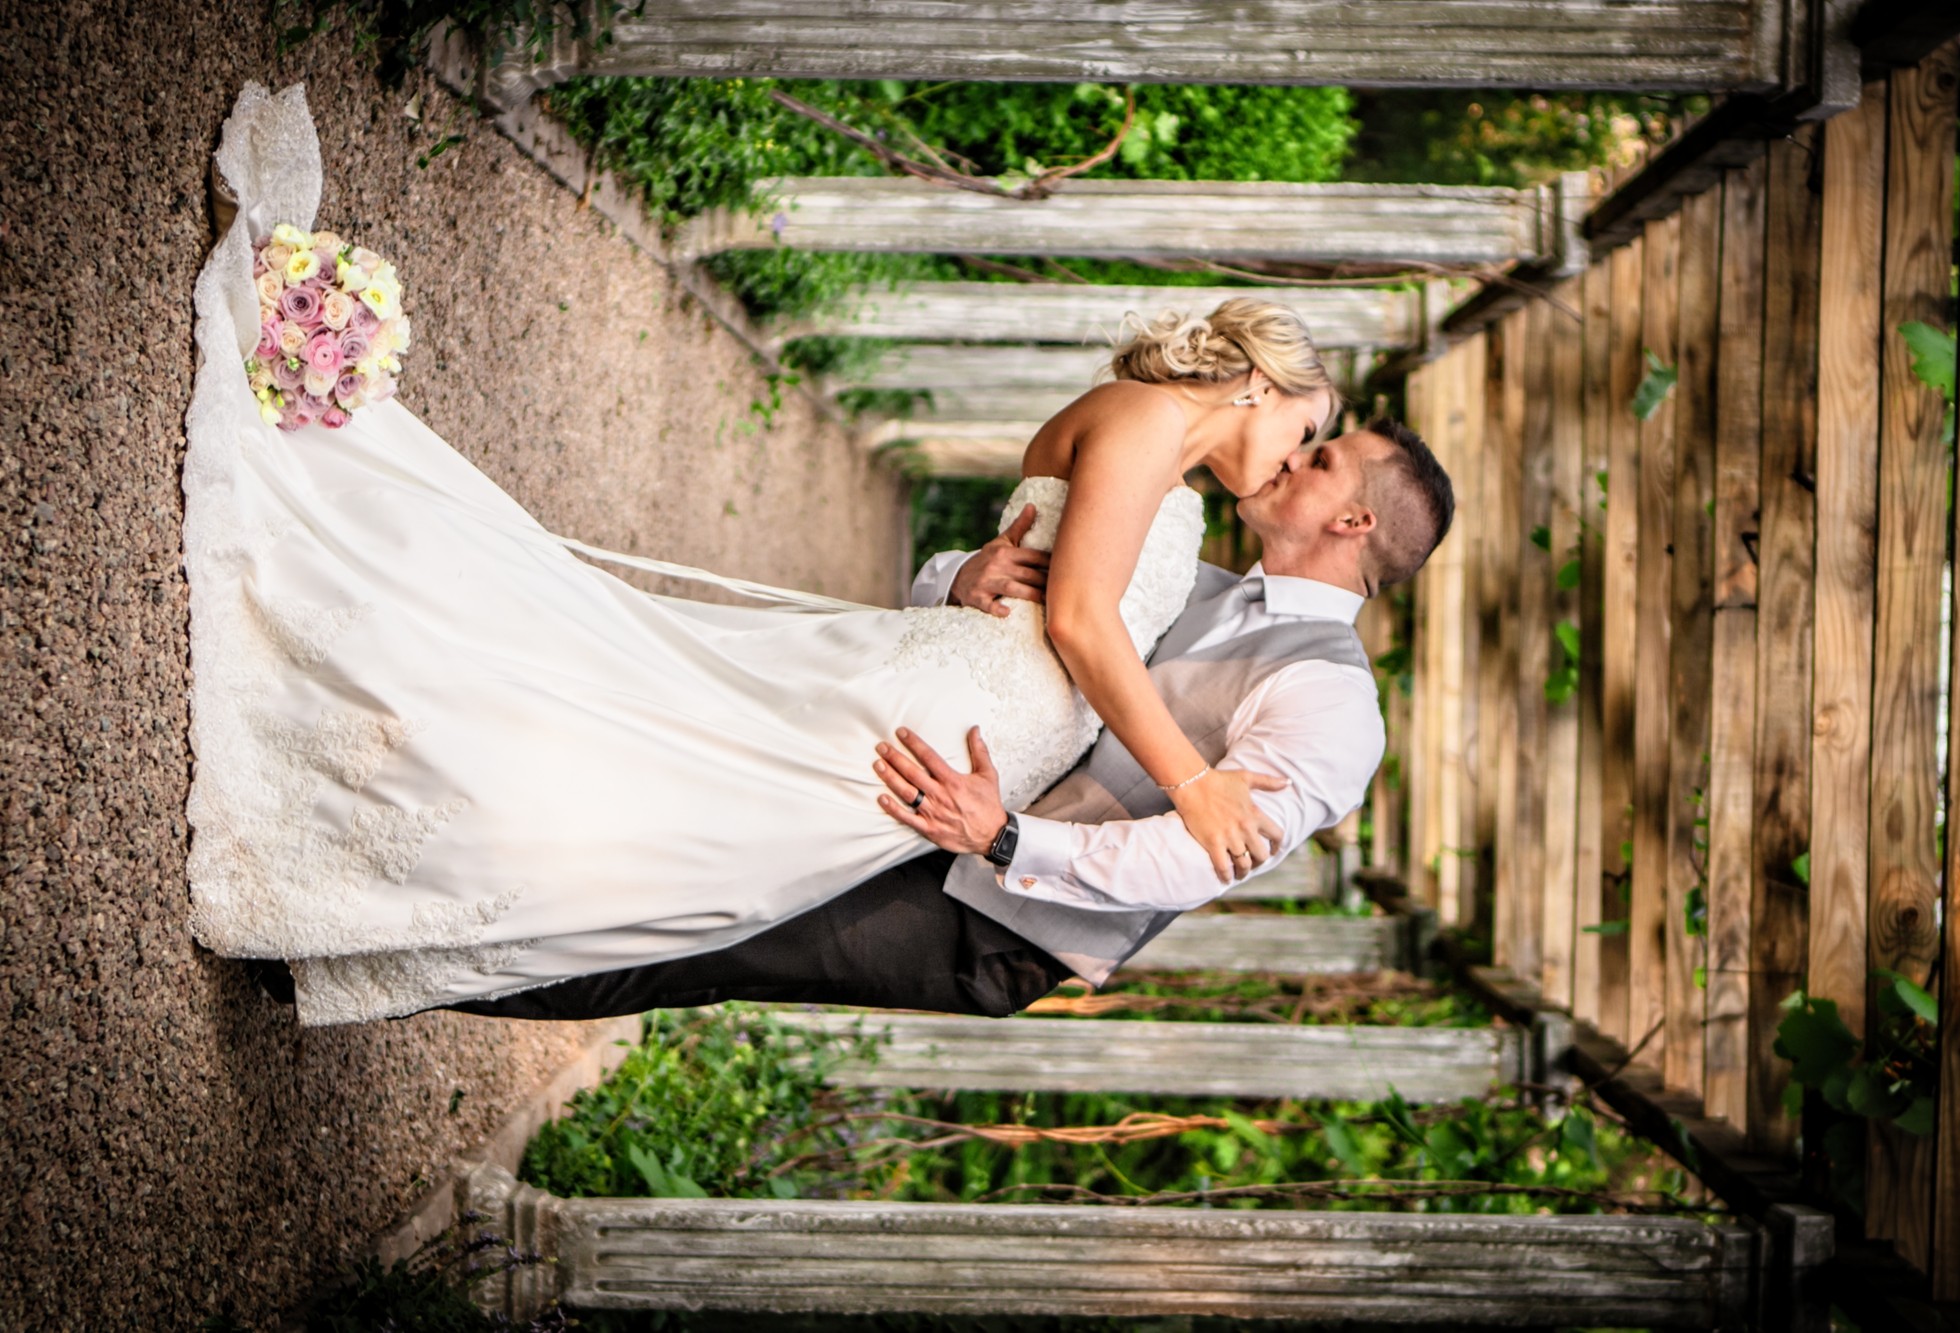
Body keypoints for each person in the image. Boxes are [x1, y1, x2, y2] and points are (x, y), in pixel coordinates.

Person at [192, 85, 1344, 1026]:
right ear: (1259, 380)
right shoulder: (1145, 420)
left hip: (970, 736)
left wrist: (966, 579)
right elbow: (1088, 623)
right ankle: (348, 853)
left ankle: (360, 921)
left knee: (695, 865)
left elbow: (1065, 595)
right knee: (684, 823)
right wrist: (1192, 787)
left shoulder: (1172, 470)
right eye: (1306, 429)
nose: (1293, 456)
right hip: (945, 721)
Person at [431, 415, 1453, 1021]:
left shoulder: (1331, 706)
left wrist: (1004, 836)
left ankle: (406, 968)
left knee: (686, 949)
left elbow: (1198, 855)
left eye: (1318, 458)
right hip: (926, 791)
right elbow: (975, 625)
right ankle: (424, 892)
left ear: (1351, 521)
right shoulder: (1195, 575)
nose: (1290, 455)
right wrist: (962, 577)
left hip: (985, 914)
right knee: (675, 855)